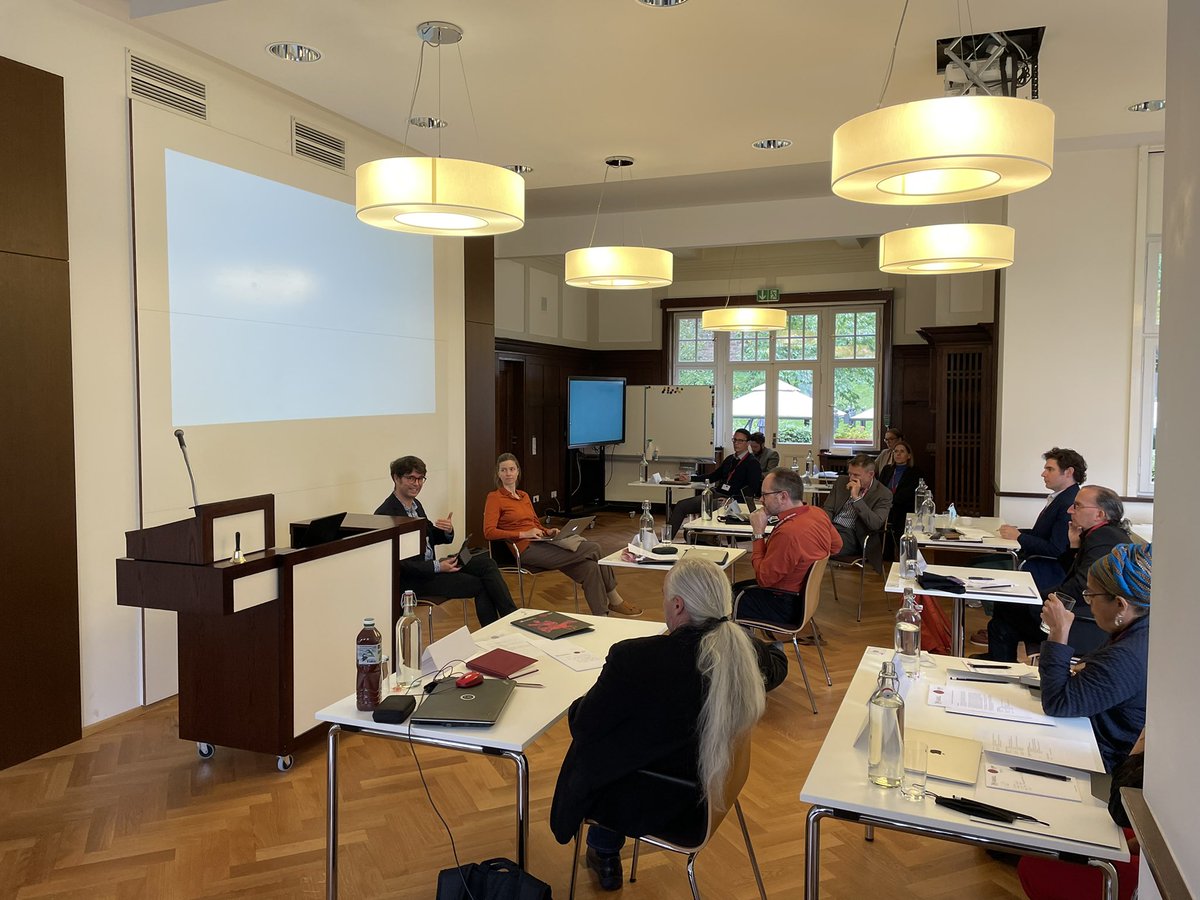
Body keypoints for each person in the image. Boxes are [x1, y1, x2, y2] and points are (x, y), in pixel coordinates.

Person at [550, 558, 768, 892]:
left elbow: (584, 726)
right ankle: (604, 849)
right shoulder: (740, 651)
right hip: (713, 786)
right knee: (629, 739)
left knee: (595, 747)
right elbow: (777, 663)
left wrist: (581, 705)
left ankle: (604, 849)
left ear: (678, 605)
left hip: (671, 804)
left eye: (666, 596)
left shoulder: (637, 659)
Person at [483, 453, 641, 616]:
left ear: (517, 472)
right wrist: (523, 533)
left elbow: (535, 524)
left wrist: (547, 531)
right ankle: (615, 599)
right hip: (525, 550)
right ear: (498, 474)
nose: (508, 473)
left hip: (543, 543)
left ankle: (601, 616)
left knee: (591, 568)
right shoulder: (494, 498)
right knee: (594, 548)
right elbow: (489, 532)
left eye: (511, 469)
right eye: (504, 470)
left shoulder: (524, 496)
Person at [1039, 543, 1151, 773]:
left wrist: (1058, 632)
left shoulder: (1126, 656)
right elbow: (1088, 668)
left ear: (1120, 604)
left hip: (1101, 759)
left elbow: (1057, 703)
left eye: (1091, 595)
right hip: (1090, 733)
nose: (1088, 603)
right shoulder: (1144, 629)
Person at [985, 486, 1129, 661]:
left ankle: (1000, 665)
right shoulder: (1103, 535)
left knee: (1007, 610)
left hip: (1085, 622)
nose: (1070, 510)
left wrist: (1039, 597)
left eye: (1076, 506)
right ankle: (1000, 663)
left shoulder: (1103, 538)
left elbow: (1082, 586)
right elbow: (1071, 572)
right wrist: (1074, 545)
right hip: (1083, 612)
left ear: (1099, 515)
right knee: (1007, 611)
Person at [375, 455, 517, 626]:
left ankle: (511, 618)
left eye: (421, 479)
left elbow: (430, 537)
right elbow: (399, 563)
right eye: (411, 478)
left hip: (433, 566)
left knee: (487, 564)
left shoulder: (416, 505)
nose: (417, 484)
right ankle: (502, 628)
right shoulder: (385, 514)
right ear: (396, 478)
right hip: (416, 579)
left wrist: (447, 531)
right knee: (481, 584)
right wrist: (438, 566)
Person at [968, 447, 1086, 648]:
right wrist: (1017, 531)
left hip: (1046, 568)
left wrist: (1020, 537)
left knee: (982, 569)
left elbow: (1056, 549)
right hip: (1036, 559)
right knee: (977, 562)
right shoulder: (1061, 496)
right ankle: (997, 634)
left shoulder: (1069, 502)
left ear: (1068, 472)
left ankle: (998, 635)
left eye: (1049, 469)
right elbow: (1043, 534)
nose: (1043, 474)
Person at [732, 469, 842, 627]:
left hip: (784, 606)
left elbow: (763, 579)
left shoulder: (788, 533)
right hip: (804, 599)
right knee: (735, 589)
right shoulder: (818, 513)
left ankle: (747, 649)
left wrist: (758, 534)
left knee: (725, 601)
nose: (761, 500)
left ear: (783, 496)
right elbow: (837, 546)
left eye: (765, 495)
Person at [667, 429, 763, 537]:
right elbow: (713, 476)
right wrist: (690, 478)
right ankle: (667, 539)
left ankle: (705, 538)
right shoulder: (730, 459)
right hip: (716, 494)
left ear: (748, 443)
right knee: (681, 505)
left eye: (740, 441)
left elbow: (752, 489)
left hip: (732, 501)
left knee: (710, 508)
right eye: (734, 440)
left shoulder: (752, 463)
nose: (736, 443)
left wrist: (730, 500)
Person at [821, 454, 892, 569]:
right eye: (850, 473)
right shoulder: (840, 482)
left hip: (854, 535)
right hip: (831, 528)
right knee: (805, 537)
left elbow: (875, 523)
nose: (851, 478)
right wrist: (823, 527)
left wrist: (856, 498)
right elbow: (828, 509)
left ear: (871, 474)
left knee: (815, 545)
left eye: (856, 475)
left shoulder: (883, 494)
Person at [877, 438, 921, 548]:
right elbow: (879, 487)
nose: (898, 454)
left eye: (902, 451)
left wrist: (891, 502)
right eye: (896, 451)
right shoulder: (887, 469)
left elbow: (909, 493)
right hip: (885, 506)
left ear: (909, 455)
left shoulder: (914, 472)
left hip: (902, 508)